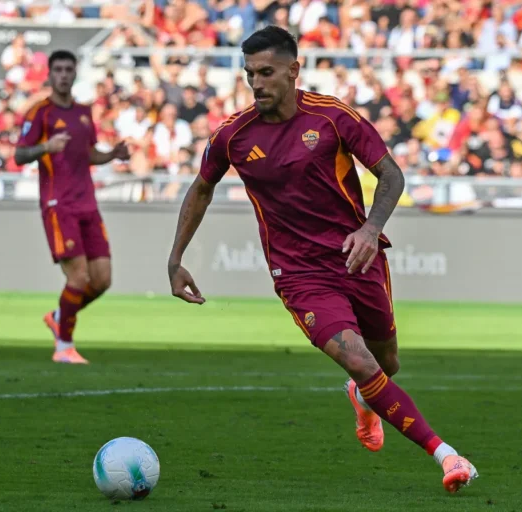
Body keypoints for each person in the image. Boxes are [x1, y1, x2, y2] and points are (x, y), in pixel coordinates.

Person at [167, 26, 478, 493]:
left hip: (356, 258)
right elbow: (202, 187)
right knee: (360, 361)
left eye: (266, 72)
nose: (256, 83)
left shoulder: (332, 118)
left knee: (385, 363)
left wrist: (371, 229)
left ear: (294, 70)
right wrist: (175, 259)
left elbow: (391, 175)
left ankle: (363, 397)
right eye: (250, 74)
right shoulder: (233, 135)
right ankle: (448, 456)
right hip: (298, 273)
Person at [15, 50, 129, 365]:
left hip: (87, 204)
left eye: (69, 69)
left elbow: (88, 153)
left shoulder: (82, 112)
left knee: (102, 280)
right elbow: (20, 155)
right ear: (50, 75)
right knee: (78, 277)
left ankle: (58, 316)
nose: (64, 75)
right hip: (58, 205)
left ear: (75, 74)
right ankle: (64, 346)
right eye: (58, 70)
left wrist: (112, 155)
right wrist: (45, 148)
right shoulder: (40, 112)